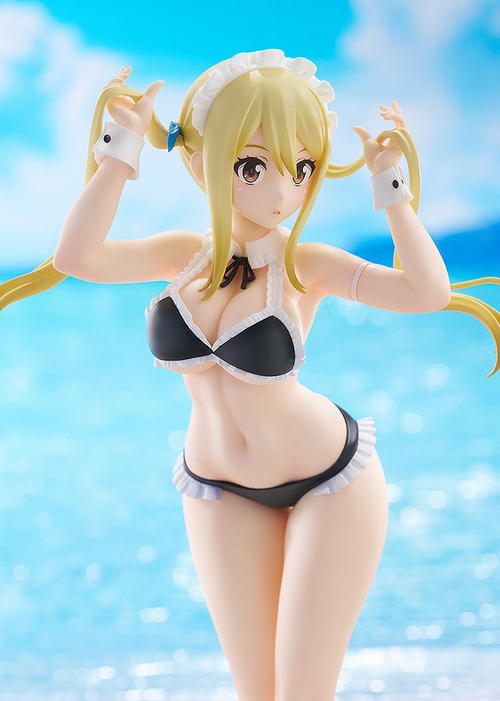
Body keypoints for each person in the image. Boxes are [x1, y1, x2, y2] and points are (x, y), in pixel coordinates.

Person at [1, 49, 499, 701]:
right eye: (253, 167)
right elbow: (76, 256)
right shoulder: (183, 255)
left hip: (330, 479)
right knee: (255, 692)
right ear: (202, 162)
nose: (283, 193)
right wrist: (120, 151)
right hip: (216, 486)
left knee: (302, 692)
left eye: (302, 168)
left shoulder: (306, 265)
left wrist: (393, 192)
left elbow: (426, 293)